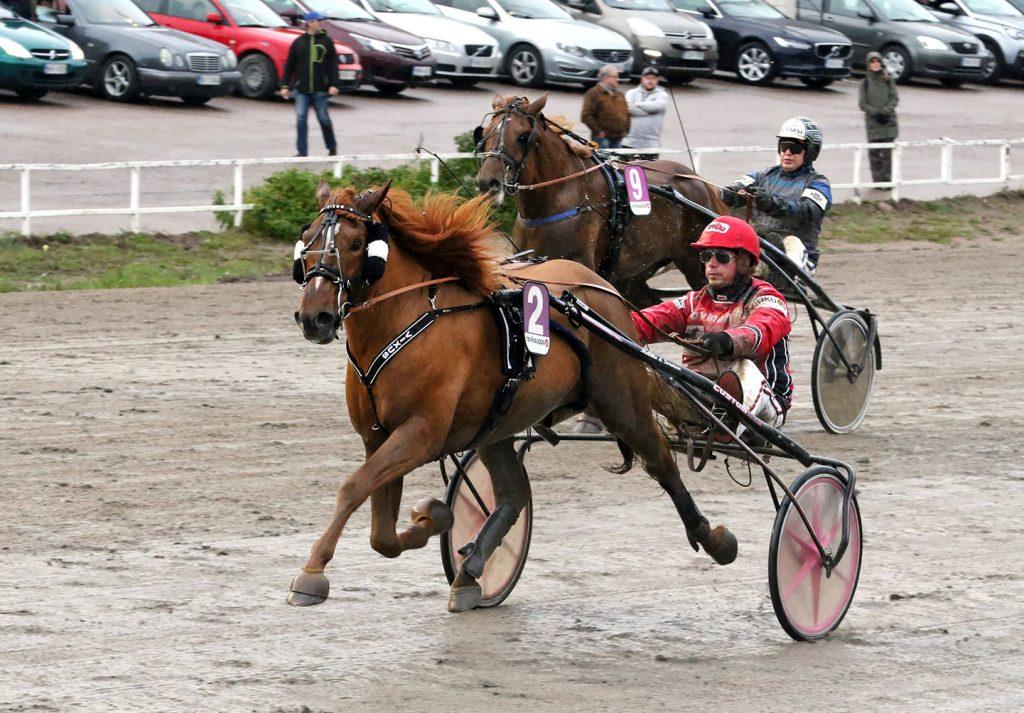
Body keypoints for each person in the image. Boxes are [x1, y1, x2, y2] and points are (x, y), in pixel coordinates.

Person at [631, 216, 793, 432]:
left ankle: (728, 425)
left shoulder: (767, 299)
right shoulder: (694, 302)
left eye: (722, 257)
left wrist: (726, 340)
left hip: (766, 403)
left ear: (745, 261)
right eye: (706, 256)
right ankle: (704, 423)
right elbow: (645, 321)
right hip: (704, 400)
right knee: (641, 374)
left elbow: (761, 330)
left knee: (743, 369)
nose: (712, 264)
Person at [720, 117, 831, 274]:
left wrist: (770, 203)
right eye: (784, 146)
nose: (787, 153)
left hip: (797, 254)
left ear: (810, 151)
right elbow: (727, 192)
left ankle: (789, 280)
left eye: (795, 148)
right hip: (762, 247)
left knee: (793, 243)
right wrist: (729, 195)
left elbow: (805, 211)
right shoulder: (761, 176)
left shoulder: (818, 184)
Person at [279, 11, 340, 158]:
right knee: (301, 119)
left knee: (324, 119)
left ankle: (332, 147)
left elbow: (333, 64)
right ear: (309, 23)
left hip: (320, 89)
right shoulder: (299, 42)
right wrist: (285, 85)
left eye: (320, 21)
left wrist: (334, 84)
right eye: (317, 21)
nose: (319, 23)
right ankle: (302, 151)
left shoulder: (327, 41)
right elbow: (290, 65)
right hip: (301, 88)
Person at [859, 51, 899, 186]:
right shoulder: (864, 83)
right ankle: (877, 182)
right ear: (868, 64)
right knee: (874, 154)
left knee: (887, 154)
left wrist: (885, 112)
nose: (875, 64)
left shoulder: (888, 79)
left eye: (877, 62)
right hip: (872, 123)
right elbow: (862, 103)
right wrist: (875, 113)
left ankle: (887, 181)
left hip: (888, 122)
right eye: (872, 62)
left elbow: (894, 98)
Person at [622, 66, 669, 161]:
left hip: (651, 144)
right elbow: (628, 108)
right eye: (647, 78)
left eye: (653, 78)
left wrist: (638, 104)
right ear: (642, 79)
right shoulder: (631, 93)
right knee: (624, 171)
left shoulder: (662, 95)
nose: (650, 81)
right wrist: (650, 110)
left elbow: (659, 106)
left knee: (650, 174)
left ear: (657, 80)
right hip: (629, 142)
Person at [580, 65, 629, 150]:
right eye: (615, 76)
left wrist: (626, 129)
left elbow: (626, 113)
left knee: (616, 163)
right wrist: (598, 132)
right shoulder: (593, 93)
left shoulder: (619, 94)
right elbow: (586, 115)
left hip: (618, 138)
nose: (617, 79)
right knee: (603, 162)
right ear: (605, 78)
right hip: (602, 139)